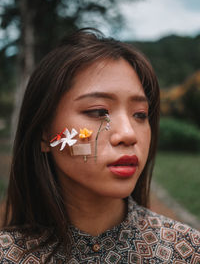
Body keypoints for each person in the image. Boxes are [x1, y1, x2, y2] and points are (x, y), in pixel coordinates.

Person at [0, 28, 199, 263]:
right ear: (45, 135)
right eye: (97, 111)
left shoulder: (186, 251)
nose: (128, 134)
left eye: (140, 114)